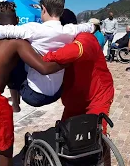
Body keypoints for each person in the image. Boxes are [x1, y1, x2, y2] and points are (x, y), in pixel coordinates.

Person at [0, 1, 63, 166]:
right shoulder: (17, 42)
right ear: (17, 20)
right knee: (5, 149)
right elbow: (44, 68)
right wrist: (69, 60)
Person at [0, 0, 95, 111]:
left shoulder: (33, 29)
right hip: (56, 93)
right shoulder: (71, 29)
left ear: (43, 9)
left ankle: (15, 102)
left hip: (34, 96)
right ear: (61, 11)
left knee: (18, 46)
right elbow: (91, 26)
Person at [43, 9, 114, 165]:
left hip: (98, 95)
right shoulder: (60, 42)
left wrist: (45, 57)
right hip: (75, 99)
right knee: (66, 135)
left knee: (98, 137)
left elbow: (76, 50)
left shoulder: (86, 38)